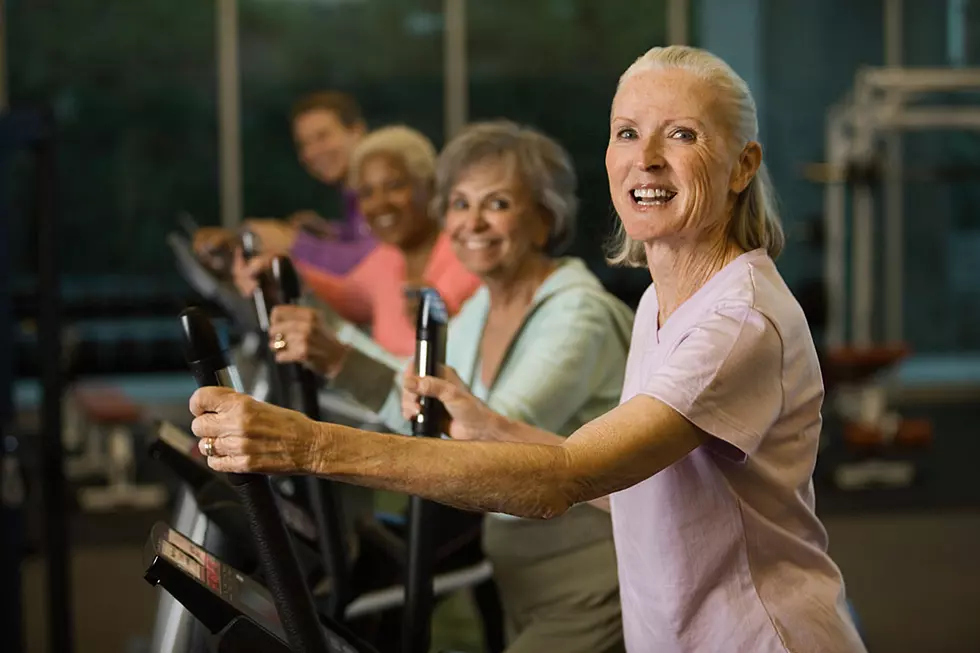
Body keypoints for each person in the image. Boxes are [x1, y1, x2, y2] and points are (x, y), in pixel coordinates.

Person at [189, 45, 867, 653]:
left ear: (743, 164)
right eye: (627, 133)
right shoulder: (665, 301)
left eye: (682, 135)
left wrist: (307, 445)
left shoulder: (736, 323)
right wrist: (493, 427)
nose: (646, 158)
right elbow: (638, 487)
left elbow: (562, 479)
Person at [267, 120, 631, 652]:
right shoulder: (485, 305)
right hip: (523, 580)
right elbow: (424, 403)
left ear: (544, 218)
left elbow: (487, 441)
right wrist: (335, 354)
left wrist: (321, 444)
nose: (471, 223)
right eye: (459, 204)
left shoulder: (579, 315)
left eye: (497, 203)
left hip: (596, 582)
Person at [238, 125, 482, 359]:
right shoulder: (387, 257)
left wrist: (440, 319)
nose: (379, 204)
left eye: (395, 186)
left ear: (429, 187)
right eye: (367, 193)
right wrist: (284, 269)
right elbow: (345, 295)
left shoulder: (468, 254)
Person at [194, 91, 376, 276]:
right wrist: (332, 233)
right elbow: (364, 239)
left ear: (357, 131)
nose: (312, 152)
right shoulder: (353, 194)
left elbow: (375, 261)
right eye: (304, 144)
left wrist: (293, 243)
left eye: (322, 137)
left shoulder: (378, 190)